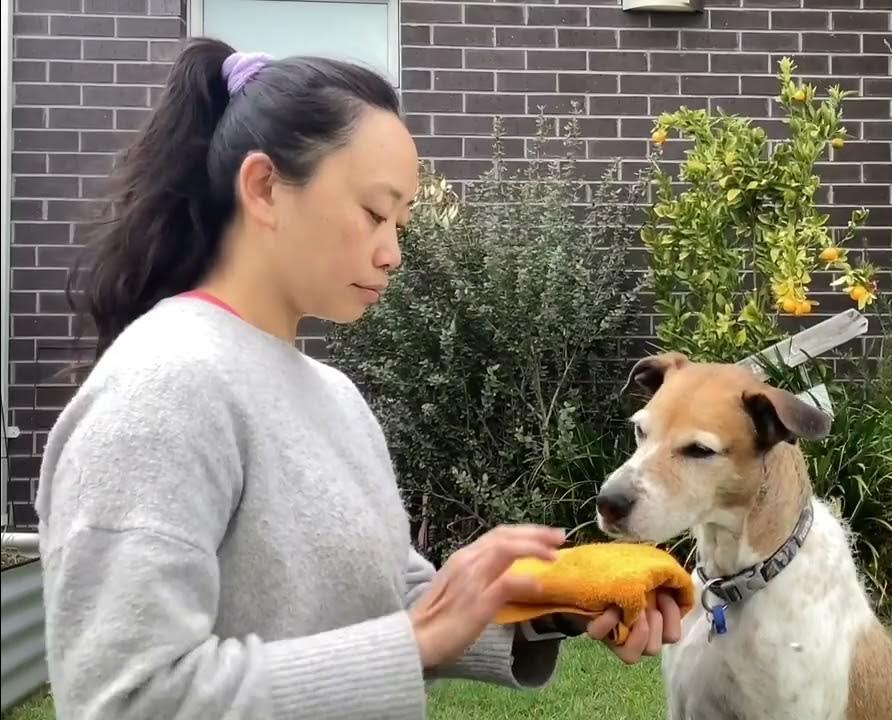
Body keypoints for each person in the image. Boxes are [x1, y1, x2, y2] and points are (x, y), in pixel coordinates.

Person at [34, 37, 682, 720]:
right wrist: (419, 639)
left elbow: (386, 600)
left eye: (401, 223)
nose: (393, 251)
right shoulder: (162, 387)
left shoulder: (334, 395)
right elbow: (126, 699)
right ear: (262, 189)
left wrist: (549, 603)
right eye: (375, 213)